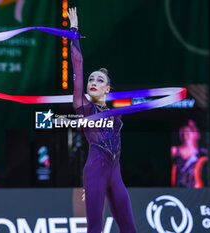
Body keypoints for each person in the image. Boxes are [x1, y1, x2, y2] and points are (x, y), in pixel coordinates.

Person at [67, 7, 137, 233]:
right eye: (90, 79)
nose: (93, 82)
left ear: (108, 88)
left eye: (99, 80)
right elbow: (77, 62)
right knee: (94, 229)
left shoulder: (115, 113)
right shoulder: (83, 107)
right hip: (95, 173)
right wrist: (74, 31)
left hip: (115, 176)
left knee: (129, 229)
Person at [171, 119, 208, 188]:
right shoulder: (175, 151)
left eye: (191, 128)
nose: (187, 132)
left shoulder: (203, 154)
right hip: (176, 191)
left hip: (196, 191)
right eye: (185, 129)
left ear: (197, 133)